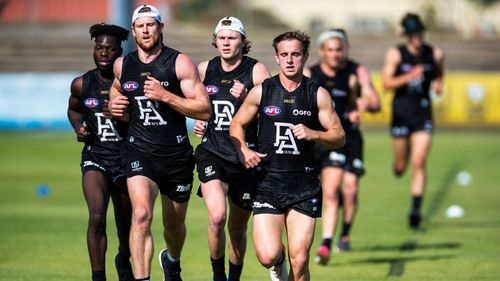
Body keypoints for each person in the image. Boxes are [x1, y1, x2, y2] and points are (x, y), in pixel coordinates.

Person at [230, 30, 345, 281]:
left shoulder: (317, 94)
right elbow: (236, 124)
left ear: (305, 57)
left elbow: (339, 136)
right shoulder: (263, 91)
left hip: (304, 186)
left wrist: (314, 134)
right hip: (267, 184)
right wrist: (243, 150)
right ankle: (278, 261)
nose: (290, 60)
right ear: (277, 58)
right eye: (284, 55)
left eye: (295, 54)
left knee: (301, 259)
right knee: (267, 256)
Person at [108, 5, 211, 281]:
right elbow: (116, 90)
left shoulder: (180, 63)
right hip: (139, 151)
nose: (145, 30)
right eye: (140, 26)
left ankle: (172, 261)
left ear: (160, 28)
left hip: (176, 155)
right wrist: (114, 104)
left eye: (151, 24)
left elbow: (204, 109)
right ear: (133, 31)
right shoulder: (123, 65)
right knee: (141, 215)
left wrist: (166, 96)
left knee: (174, 224)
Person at [193, 16, 271, 281]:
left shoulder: (257, 71)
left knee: (237, 229)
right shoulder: (204, 69)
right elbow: (196, 103)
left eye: (232, 37)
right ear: (216, 40)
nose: (226, 42)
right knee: (217, 218)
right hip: (212, 152)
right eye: (222, 38)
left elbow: (272, 115)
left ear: (243, 41)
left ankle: (233, 279)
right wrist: (200, 120)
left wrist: (247, 97)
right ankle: (217, 276)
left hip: (245, 157)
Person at [304, 29, 381, 265]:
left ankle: (343, 233)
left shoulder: (356, 72)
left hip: (350, 138)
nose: (336, 54)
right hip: (323, 139)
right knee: (330, 191)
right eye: (331, 50)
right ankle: (327, 240)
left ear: (345, 50)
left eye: (339, 49)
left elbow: (375, 102)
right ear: (321, 52)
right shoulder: (311, 73)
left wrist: (363, 106)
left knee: (349, 189)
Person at [67, 23, 133, 281]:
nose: (104, 53)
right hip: (96, 158)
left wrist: (124, 116)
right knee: (96, 217)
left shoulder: (130, 83)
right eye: (99, 48)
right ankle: (98, 277)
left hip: (128, 162)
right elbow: (74, 110)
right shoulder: (82, 84)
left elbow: (147, 121)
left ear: (120, 52)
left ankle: (125, 258)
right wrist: (79, 127)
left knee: (126, 226)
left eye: (110, 49)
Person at [382, 13, 444, 229]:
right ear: (407, 36)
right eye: (412, 34)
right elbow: (386, 84)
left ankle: (415, 209)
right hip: (400, 113)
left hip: (423, 114)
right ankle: (400, 164)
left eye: (418, 33)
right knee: (401, 166)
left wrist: (437, 83)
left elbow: (438, 73)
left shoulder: (434, 53)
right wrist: (409, 76)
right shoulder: (396, 54)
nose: (416, 38)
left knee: (419, 162)